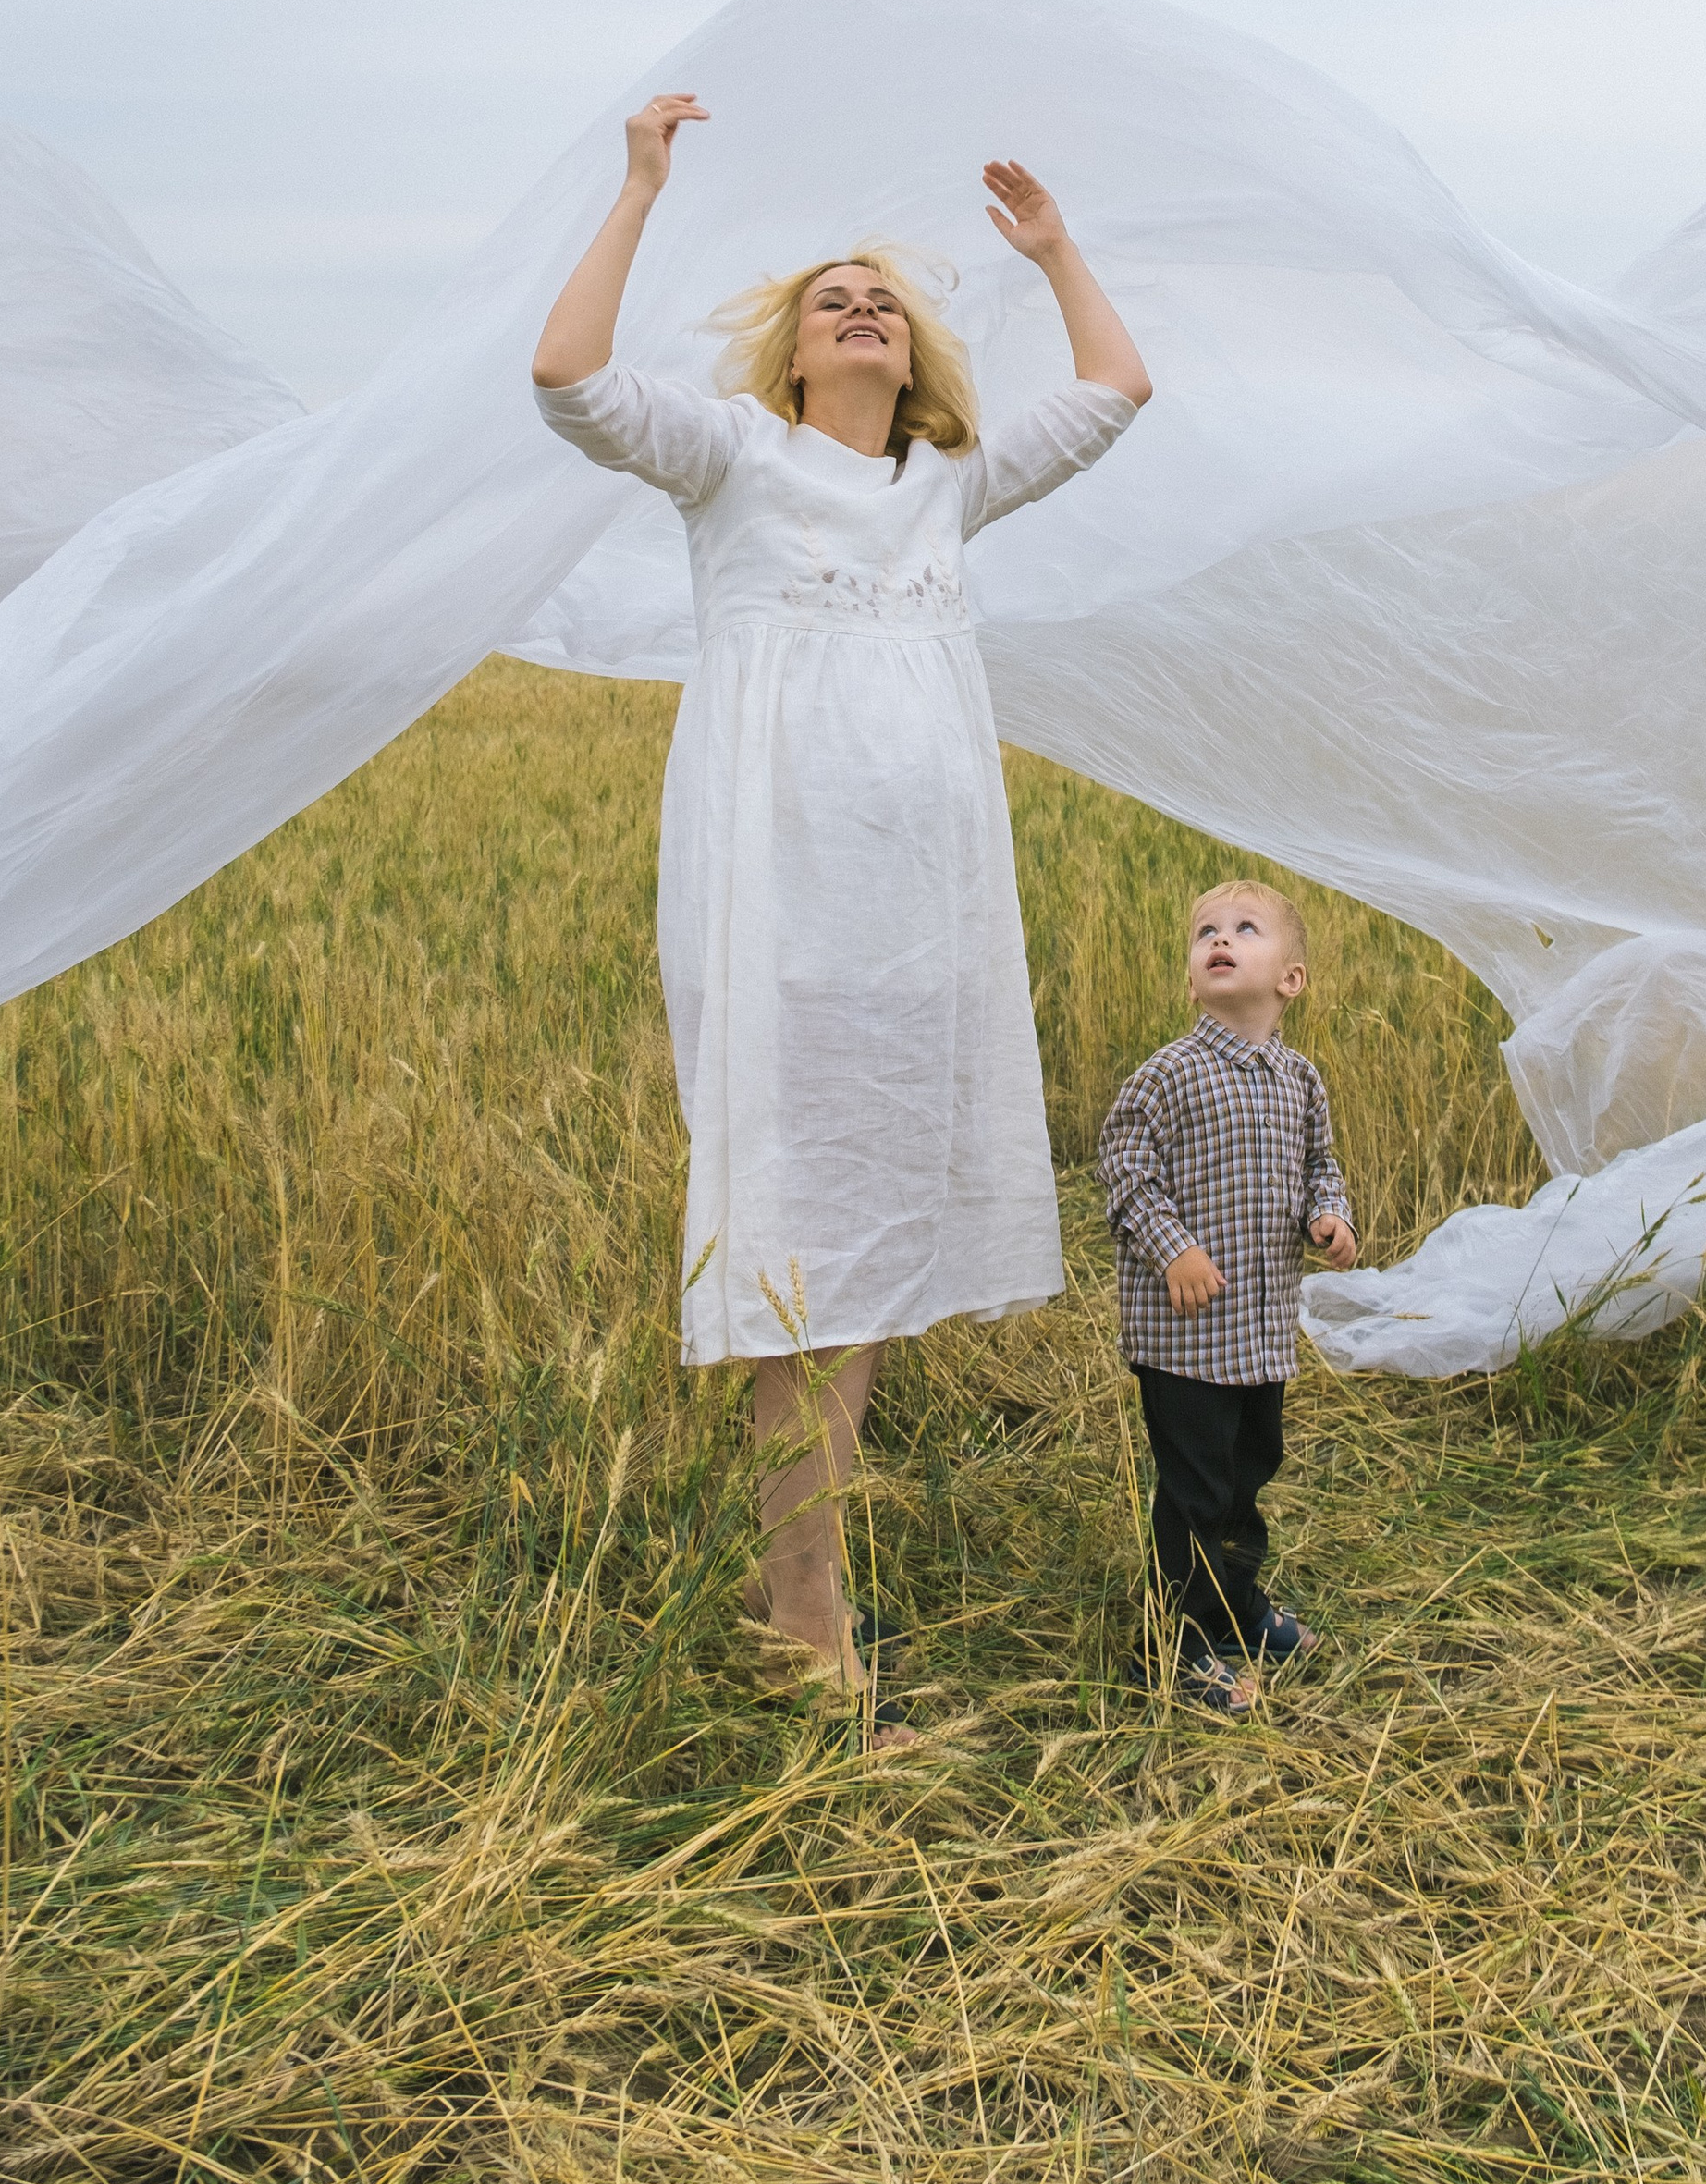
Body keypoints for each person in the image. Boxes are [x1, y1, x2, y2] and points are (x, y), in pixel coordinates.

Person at [531, 90, 1149, 1723]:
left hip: (926, 913)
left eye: (882, 296)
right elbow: (568, 379)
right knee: (803, 1220)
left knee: (869, 1222)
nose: (860, 305)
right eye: (830, 297)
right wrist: (640, 189)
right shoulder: (734, 461)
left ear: (912, 353)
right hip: (781, 897)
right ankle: (809, 1599)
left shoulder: (946, 485)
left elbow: (1116, 390)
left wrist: (1058, 248)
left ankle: (791, 1570)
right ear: (796, 357)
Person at [1098, 878, 1359, 1712]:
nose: (1220, 937)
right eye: (1206, 930)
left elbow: (1323, 1163)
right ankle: (1173, 1642)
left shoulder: (1300, 1080)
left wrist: (1329, 1214)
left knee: (1251, 1473)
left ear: (1291, 978)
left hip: (1259, 1330)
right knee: (1197, 1488)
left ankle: (1234, 1606)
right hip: (1185, 1339)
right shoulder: (1166, 1076)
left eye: (1245, 928)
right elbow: (1125, 1173)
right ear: (1193, 973)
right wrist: (1173, 1250)